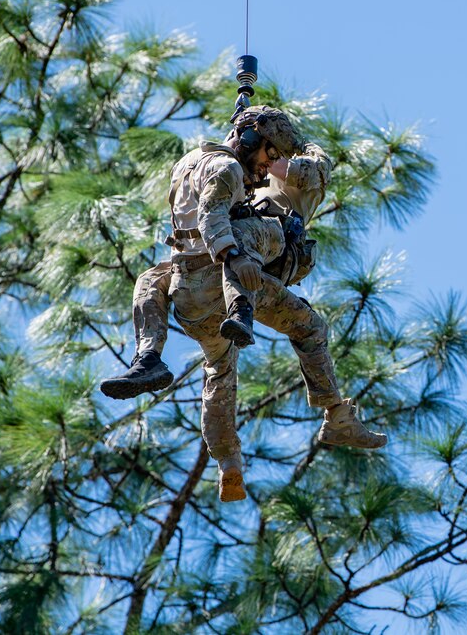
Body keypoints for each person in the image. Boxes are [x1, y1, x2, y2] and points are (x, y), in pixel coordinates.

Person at [100, 107, 386, 502]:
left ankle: (227, 461)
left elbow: (306, 170)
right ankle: (230, 323)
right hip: (232, 269)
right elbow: (215, 207)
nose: (271, 168)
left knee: (210, 357)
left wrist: (255, 149)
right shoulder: (228, 167)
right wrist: (234, 252)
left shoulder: (214, 162)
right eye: (270, 156)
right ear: (254, 142)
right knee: (307, 324)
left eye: (279, 159)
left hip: (195, 293)